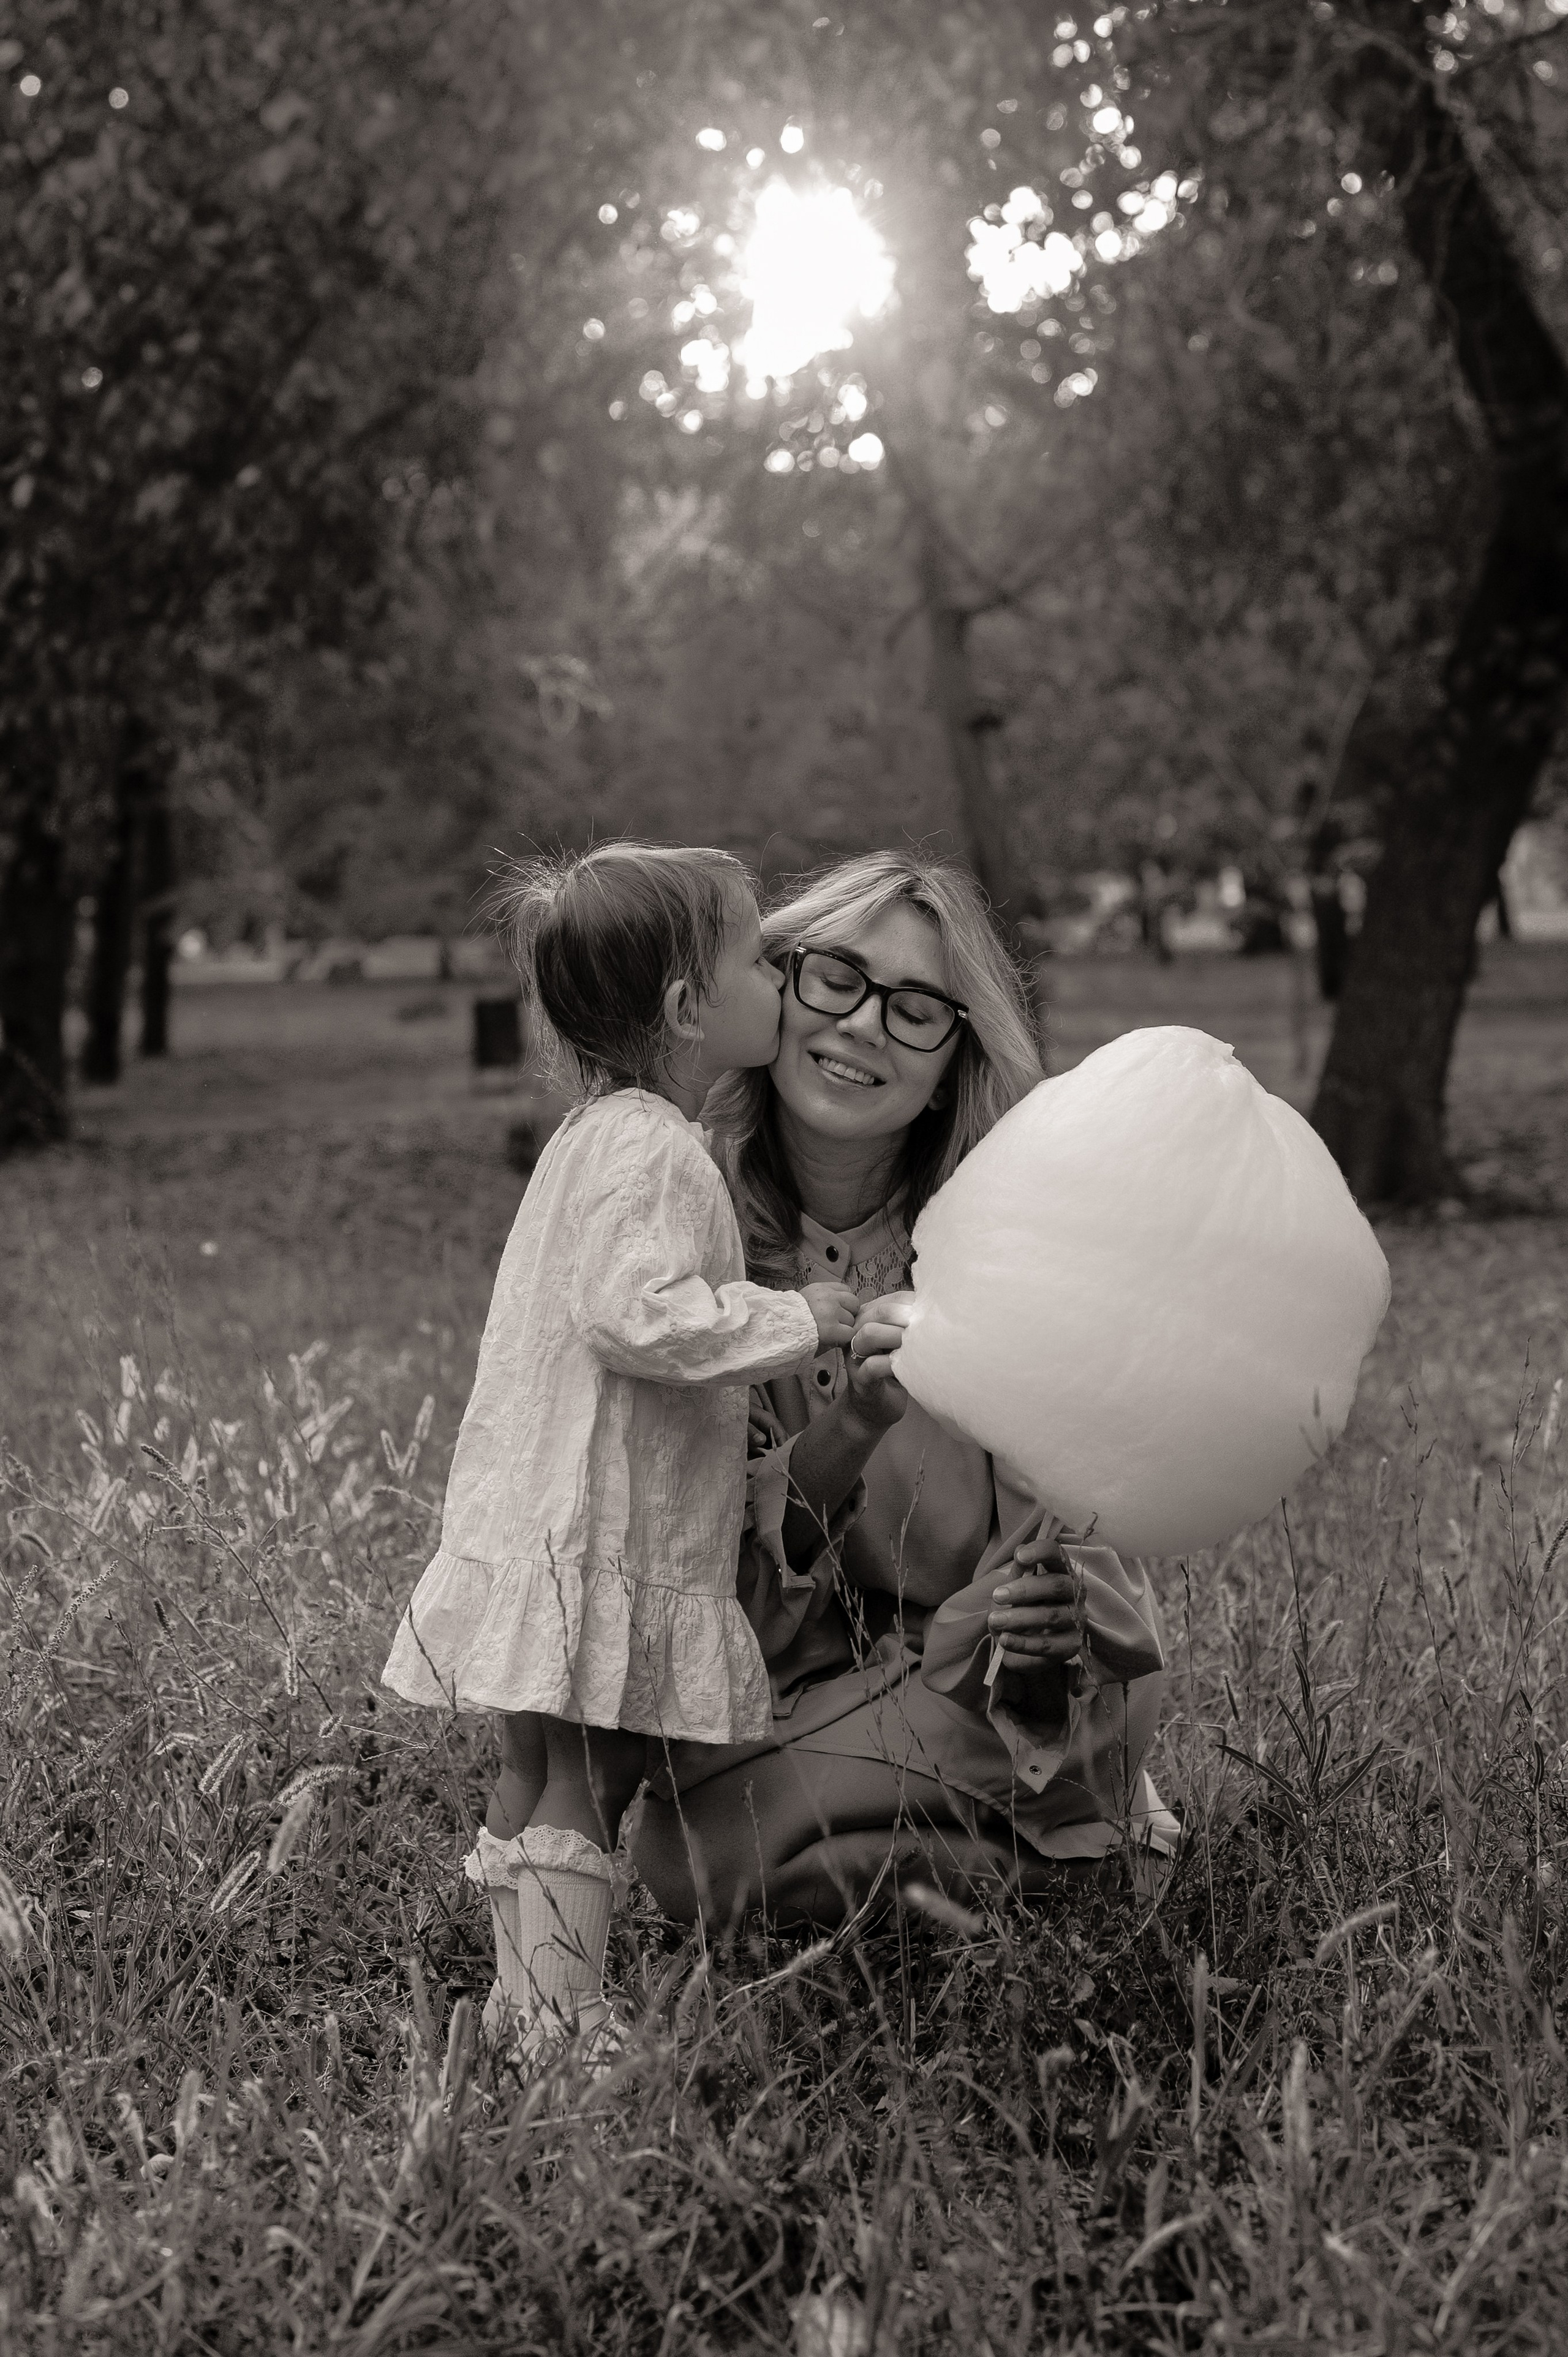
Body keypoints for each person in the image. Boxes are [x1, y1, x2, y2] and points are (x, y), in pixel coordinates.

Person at [631, 850, 1176, 1929]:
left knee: (700, 1849)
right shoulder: (678, 1236)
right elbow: (703, 1590)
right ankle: (1016, 1874)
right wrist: (848, 1430)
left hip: (977, 1693)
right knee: (683, 1849)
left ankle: (911, 1856)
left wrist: (1050, 1617)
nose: (868, 1024)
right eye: (838, 978)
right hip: (778, 1689)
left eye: (920, 1007)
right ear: (772, 984)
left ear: (953, 1056)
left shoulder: (1012, 1248)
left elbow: (1085, 1540)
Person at [382, 844, 859, 2052]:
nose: (784, 974)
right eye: (759, 955)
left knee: (537, 1764)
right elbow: (633, 1313)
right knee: (589, 1774)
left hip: (540, 1511)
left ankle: (519, 1996)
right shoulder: (653, 1147)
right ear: (687, 1007)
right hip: (594, 1522)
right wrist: (797, 1316)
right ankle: (560, 2014)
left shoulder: (599, 1134)